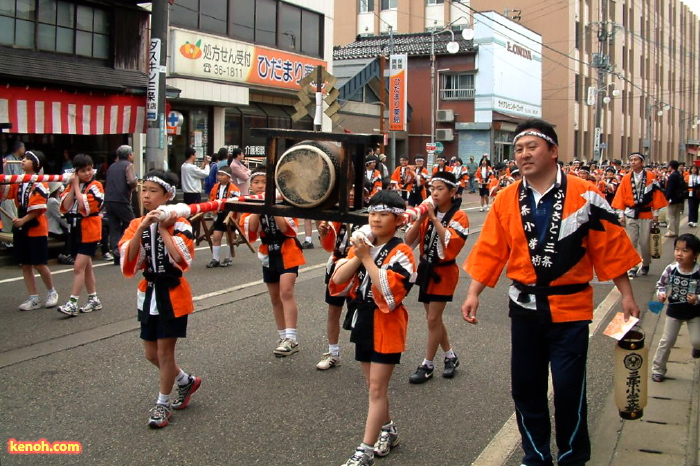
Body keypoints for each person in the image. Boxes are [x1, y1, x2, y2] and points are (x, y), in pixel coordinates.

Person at [461, 119, 641, 466]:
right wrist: (474, 292)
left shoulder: (585, 193)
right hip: (524, 306)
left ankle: (573, 456)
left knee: (569, 388)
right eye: (518, 149)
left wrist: (627, 295)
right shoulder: (506, 197)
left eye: (532, 147)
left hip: (570, 307)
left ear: (553, 151)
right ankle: (536, 455)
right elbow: (491, 250)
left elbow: (610, 246)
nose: (523, 155)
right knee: (526, 387)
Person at [330, 190, 416, 465]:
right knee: (372, 386)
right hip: (363, 318)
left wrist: (367, 257)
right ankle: (388, 431)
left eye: (384, 214)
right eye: (373, 214)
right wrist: (359, 254)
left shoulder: (402, 252)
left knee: (377, 389)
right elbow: (337, 280)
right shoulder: (365, 244)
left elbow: (391, 295)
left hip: (387, 323)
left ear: (399, 219)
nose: (376, 219)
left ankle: (363, 452)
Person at [119, 169, 202, 429]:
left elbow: (181, 258)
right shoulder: (137, 224)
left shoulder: (181, 223)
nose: (146, 195)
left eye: (153, 191)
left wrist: (164, 230)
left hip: (172, 292)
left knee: (165, 352)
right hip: (149, 292)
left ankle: (162, 404)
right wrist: (143, 226)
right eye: (144, 190)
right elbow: (130, 260)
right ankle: (185, 381)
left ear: (167, 195)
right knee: (151, 353)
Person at [405, 171, 469, 383]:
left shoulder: (460, 216)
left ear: (452, 192)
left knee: (433, 319)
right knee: (433, 319)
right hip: (426, 269)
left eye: (440, 189)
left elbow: (450, 244)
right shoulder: (428, 212)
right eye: (432, 189)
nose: (435, 193)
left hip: (444, 272)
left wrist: (433, 218)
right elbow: (408, 240)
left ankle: (428, 364)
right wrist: (421, 218)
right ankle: (450, 356)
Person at [239, 174, 306, 357]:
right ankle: (282, 336)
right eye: (256, 182)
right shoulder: (251, 204)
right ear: (251, 185)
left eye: (265, 182)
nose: (260, 186)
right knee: (275, 297)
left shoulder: (284, 201)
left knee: (286, 292)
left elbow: (287, 229)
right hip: (268, 250)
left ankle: (291, 338)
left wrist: (273, 206)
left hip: (288, 249)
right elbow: (251, 230)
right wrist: (259, 208)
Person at [1, 151, 59, 310]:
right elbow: (6, 192)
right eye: (23, 159)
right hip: (21, 224)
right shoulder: (20, 181)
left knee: (39, 263)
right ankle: (33, 297)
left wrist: (22, 221)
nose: (22, 161)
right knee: (25, 264)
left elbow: (39, 208)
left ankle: (51, 291)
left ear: (36, 163)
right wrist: (3, 169)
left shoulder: (41, 182)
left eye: (26, 159)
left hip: (36, 226)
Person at [315, 191, 364, 370]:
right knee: (333, 311)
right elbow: (328, 246)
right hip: (338, 264)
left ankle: (373, 352)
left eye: (355, 193)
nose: (351, 196)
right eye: (347, 193)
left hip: (360, 267)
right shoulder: (336, 215)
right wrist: (323, 234)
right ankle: (333, 353)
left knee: (364, 313)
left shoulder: (369, 217)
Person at [57, 154, 104, 316]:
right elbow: (65, 205)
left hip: (90, 229)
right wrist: (73, 186)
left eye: (89, 169)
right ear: (76, 172)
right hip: (76, 229)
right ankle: (93, 298)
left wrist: (76, 186)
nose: (87, 173)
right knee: (86, 266)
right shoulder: (72, 186)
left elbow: (86, 206)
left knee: (78, 267)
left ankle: (72, 302)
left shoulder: (96, 185)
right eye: (83, 171)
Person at [651, 233, 700, 383]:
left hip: (694, 313)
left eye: (685, 251)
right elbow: (661, 284)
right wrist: (661, 294)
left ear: (695, 254)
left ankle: (697, 348)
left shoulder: (698, 272)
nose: (679, 254)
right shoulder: (671, 269)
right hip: (674, 311)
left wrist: (697, 299)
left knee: (697, 340)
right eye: (677, 249)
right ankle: (658, 369)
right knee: (667, 341)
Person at [611, 152, 668, 278]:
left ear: (642, 162)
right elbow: (620, 196)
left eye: (635, 160)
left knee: (644, 243)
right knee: (631, 242)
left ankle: (646, 263)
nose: (632, 162)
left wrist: (656, 214)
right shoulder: (626, 178)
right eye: (631, 160)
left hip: (646, 214)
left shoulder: (651, 176)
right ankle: (633, 266)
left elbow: (657, 195)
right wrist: (621, 214)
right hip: (630, 214)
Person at [104, 145, 138, 264]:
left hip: (109, 199)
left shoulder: (112, 166)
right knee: (132, 223)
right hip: (121, 199)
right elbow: (131, 181)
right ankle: (128, 249)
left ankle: (116, 252)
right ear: (129, 155)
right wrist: (135, 184)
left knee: (114, 227)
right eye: (132, 154)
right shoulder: (128, 165)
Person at [206, 166, 240, 268]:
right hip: (219, 214)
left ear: (228, 177)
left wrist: (236, 218)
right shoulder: (215, 187)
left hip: (230, 214)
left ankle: (228, 258)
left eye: (222, 175)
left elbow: (236, 204)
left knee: (229, 237)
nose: (219, 177)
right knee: (216, 236)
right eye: (218, 175)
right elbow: (211, 200)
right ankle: (215, 259)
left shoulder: (234, 189)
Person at [47, 183, 73, 265]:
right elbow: (60, 217)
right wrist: (69, 226)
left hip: (52, 227)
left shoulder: (55, 199)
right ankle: (66, 254)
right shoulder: (52, 201)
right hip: (51, 229)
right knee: (70, 234)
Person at [2, 140, 24, 234]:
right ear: (19, 148)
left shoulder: (20, 161)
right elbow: (6, 177)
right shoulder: (8, 159)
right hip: (8, 189)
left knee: (16, 213)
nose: (24, 149)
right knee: (9, 215)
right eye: (23, 148)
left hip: (19, 189)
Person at [664, 160, 685, 238]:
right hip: (679, 198)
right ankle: (676, 231)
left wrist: (666, 197)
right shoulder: (679, 174)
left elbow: (670, 188)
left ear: (671, 166)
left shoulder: (673, 176)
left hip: (673, 198)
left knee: (670, 216)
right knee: (677, 216)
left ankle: (671, 231)